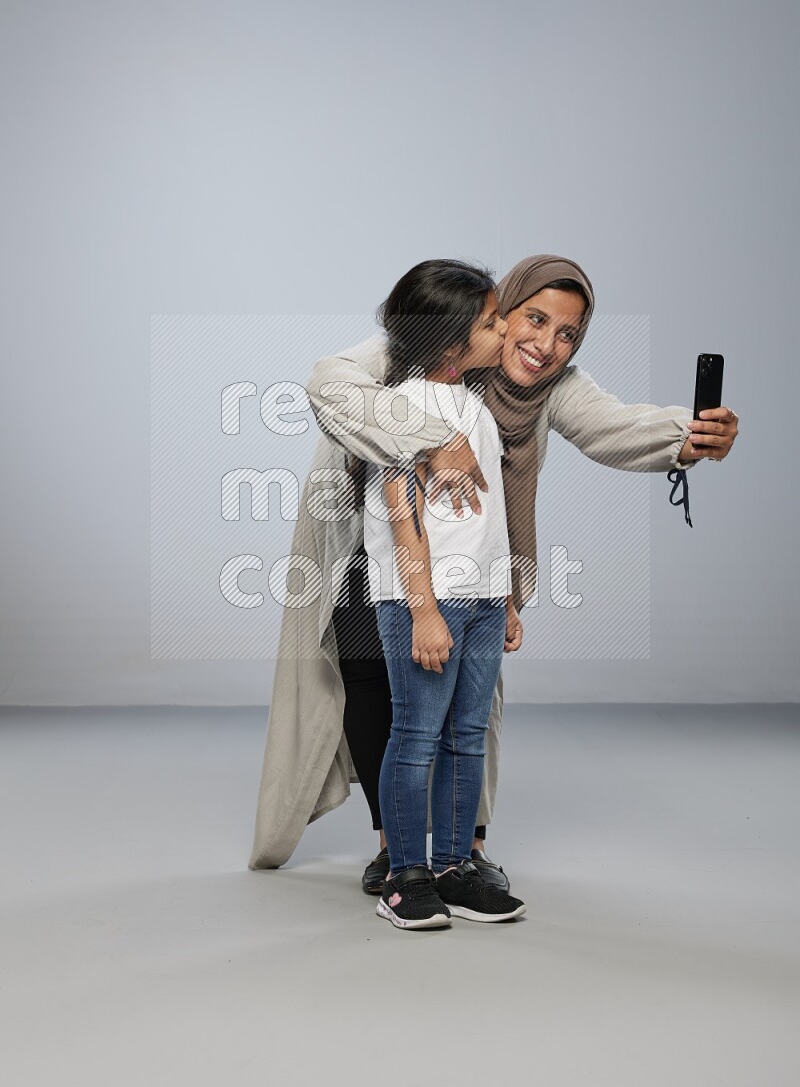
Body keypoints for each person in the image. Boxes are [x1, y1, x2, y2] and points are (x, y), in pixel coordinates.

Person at [248, 255, 739, 887]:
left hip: (475, 561)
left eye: (568, 334)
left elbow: (612, 425)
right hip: (369, 536)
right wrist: (430, 437)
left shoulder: (549, 386)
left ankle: (465, 850)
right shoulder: (429, 339)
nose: (545, 344)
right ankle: (395, 850)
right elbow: (329, 382)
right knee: (372, 681)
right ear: (501, 311)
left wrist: (689, 434)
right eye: (533, 319)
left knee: (470, 705)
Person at [359, 259, 526, 929]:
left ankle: (454, 866)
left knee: (467, 735)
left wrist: (503, 597)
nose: (505, 329)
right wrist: (424, 610)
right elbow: (401, 515)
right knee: (417, 733)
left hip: (481, 598)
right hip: (425, 601)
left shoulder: (473, 406)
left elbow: (488, 517)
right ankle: (405, 877)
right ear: (452, 343)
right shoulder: (399, 411)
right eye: (491, 322)